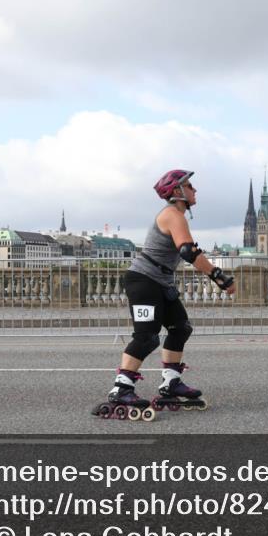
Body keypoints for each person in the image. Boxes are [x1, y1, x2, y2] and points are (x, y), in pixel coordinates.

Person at [96, 169, 236, 418]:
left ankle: (171, 382)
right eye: (190, 185)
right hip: (144, 282)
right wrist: (219, 277)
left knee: (180, 328)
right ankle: (121, 388)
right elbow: (188, 253)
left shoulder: (178, 215)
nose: (195, 190)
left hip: (161, 282)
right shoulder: (173, 215)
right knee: (147, 337)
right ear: (177, 191)